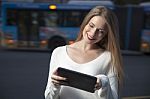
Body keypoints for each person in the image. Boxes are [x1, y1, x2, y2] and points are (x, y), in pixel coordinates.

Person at [44, 6, 124, 99]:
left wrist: (104, 83)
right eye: (91, 25)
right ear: (85, 23)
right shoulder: (59, 52)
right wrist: (55, 85)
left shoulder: (109, 58)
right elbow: (49, 97)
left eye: (100, 31)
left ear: (106, 35)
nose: (93, 33)